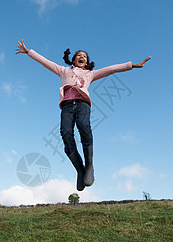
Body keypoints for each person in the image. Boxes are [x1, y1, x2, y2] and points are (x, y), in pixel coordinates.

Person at [16, 39, 151, 191]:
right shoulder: (64, 71)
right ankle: (80, 170)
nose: (82, 57)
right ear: (73, 60)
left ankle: (89, 166)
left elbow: (111, 69)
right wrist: (28, 52)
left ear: (87, 62)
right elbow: (45, 62)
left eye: (85, 56)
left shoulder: (90, 74)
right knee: (65, 133)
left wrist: (133, 65)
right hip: (67, 106)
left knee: (83, 125)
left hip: (82, 104)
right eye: (79, 55)